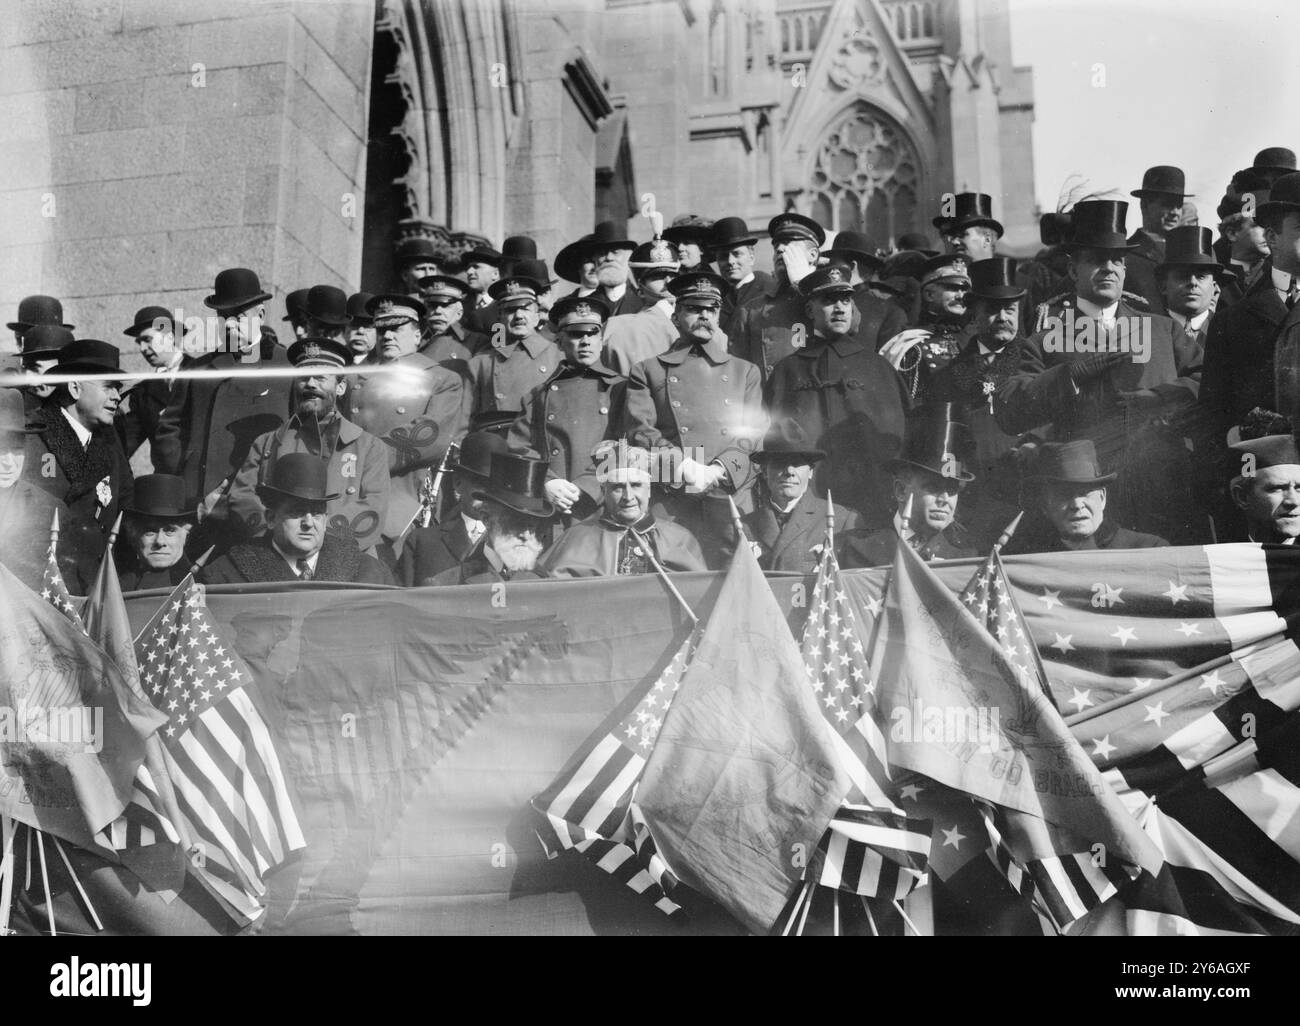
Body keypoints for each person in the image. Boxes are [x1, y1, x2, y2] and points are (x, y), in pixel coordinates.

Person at [995, 199, 1202, 544]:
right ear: (1074, 270)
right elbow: (1009, 410)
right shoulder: (1045, 341)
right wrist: (1069, 375)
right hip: (1085, 504)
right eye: (1095, 260)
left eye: (1117, 261)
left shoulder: (1163, 330)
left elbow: (1208, 383)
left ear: (1124, 269)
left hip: (1162, 490)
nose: (1108, 268)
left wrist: (1159, 399)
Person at [623, 270, 766, 567]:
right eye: (694, 308)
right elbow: (640, 429)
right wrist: (683, 464)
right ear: (675, 316)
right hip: (673, 495)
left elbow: (753, 433)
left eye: (711, 309)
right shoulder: (647, 370)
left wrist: (717, 470)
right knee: (670, 573)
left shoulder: (745, 371)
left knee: (736, 577)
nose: (704, 315)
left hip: (730, 493)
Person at [152, 267, 292, 550]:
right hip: (199, 502)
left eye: (238, 317)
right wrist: (184, 474)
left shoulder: (286, 366)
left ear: (260, 316)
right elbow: (169, 428)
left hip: (258, 503)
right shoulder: (200, 369)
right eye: (223, 317)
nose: (229, 325)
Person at [765, 263, 909, 525]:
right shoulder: (787, 371)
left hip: (871, 503)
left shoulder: (877, 367)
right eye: (829, 301)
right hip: (806, 507)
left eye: (845, 299)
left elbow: (901, 439)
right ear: (810, 309)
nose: (840, 308)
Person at [229, 336, 391, 551]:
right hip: (277, 553)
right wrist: (276, 537)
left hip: (346, 556)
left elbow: (373, 507)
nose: (311, 385)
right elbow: (242, 496)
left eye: (321, 378)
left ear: (341, 387)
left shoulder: (369, 447)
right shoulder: (268, 442)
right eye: (304, 378)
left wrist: (316, 545)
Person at [345, 294, 469, 557]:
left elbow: (430, 437)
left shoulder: (442, 379)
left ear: (417, 334)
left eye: (397, 329)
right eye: (382, 329)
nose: (388, 336)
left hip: (402, 502)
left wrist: (365, 458)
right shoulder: (353, 378)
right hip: (350, 494)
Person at [931, 256, 1030, 547]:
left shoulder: (1035, 365)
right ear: (975, 312)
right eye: (992, 309)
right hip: (973, 500)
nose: (1003, 318)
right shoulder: (946, 377)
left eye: (1010, 310)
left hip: (1025, 492)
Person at [25, 339, 135, 587]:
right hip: (46, 588)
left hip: (96, 587)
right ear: (75, 388)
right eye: (109, 387)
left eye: (117, 388)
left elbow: (125, 507)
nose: (117, 397)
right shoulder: (32, 439)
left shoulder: (108, 442)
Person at [507, 294, 625, 524]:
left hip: (600, 504)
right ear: (559, 341)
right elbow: (519, 448)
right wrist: (545, 483)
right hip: (550, 507)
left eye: (593, 333)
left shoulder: (621, 388)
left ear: (602, 340)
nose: (586, 341)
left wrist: (586, 487)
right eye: (575, 334)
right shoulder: (537, 395)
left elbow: (627, 447)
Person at [201, 453, 392, 585]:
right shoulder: (225, 574)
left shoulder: (370, 573)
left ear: (325, 520)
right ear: (271, 518)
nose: (308, 523)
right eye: (296, 512)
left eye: (316, 513)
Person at [842, 403, 976, 567]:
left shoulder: (965, 560)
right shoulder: (852, 548)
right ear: (901, 490)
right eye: (933, 487)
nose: (945, 499)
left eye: (952, 489)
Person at [541, 444, 706, 577]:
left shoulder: (680, 538)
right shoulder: (576, 537)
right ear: (604, 491)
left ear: (648, 490)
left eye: (636, 485)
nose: (628, 496)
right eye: (618, 487)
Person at [1003, 440, 1167, 554]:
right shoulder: (1030, 561)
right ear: (1045, 506)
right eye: (1064, 495)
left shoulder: (1150, 549)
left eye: (1084, 493)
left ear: (1102, 498)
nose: (1077, 504)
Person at [740, 421, 859, 574]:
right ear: (764, 471)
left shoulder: (842, 520)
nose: (789, 471)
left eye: (797, 463)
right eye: (780, 462)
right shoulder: (742, 527)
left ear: (810, 472)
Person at [397, 431, 506, 586]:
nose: (488, 494)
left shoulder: (516, 545)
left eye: (495, 487)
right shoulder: (422, 542)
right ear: (458, 483)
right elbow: (401, 602)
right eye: (480, 483)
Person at [730, 212, 824, 384]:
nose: (780, 249)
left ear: (812, 255)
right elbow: (738, 368)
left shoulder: (833, 300)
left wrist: (806, 284)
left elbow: (851, 324)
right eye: (777, 246)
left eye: (788, 243)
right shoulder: (752, 309)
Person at [432, 452, 553, 584]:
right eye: (517, 523)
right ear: (487, 519)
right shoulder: (446, 585)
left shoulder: (548, 586)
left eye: (533, 526)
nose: (526, 535)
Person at [0, 387, 72, 591]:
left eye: (17, 451)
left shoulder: (50, 511)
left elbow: (64, 593)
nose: (8, 463)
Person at [878, 253, 973, 403]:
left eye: (965, 289)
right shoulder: (911, 343)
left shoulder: (973, 335)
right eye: (953, 288)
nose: (961, 296)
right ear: (929, 294)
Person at [467, 275, 562, 419]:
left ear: (537, 315)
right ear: (500, 317)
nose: (518, 316)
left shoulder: (559, 357)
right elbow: (465, 419)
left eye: (525, 309)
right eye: (510, 310)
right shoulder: (481, 363)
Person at [116, 306, 190, 459]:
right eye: (139, 343)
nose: (142, 348)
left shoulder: (202, 372)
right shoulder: (143, 393)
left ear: (169, 337)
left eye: (147, 340)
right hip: (167, 481)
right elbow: (125, 444)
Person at [601, 233, 680, 376]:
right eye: (658, 277)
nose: (669, 282)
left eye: (674, 276)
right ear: (640, 291)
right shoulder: (618, 327)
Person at [1125, 166, 1193, 312]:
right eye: (1167, 204)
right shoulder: (1125, 254)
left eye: (1179, 205)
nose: (1175, 212)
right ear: (1144, 205)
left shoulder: (1189, 253)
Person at [1225, 416, 1300, 544]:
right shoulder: (1221, 558)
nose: (1294, 501)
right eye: (1277, 488)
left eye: (1299, 488)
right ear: (1242, 497)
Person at [116, 473, 197, 591]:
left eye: (170, 531)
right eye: (150, 532)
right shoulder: (116, 585)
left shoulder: (199, 584)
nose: (160, 541)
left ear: (186, 533)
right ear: (133, 534)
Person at [1156, 226, 1233, 348]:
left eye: (1201, 276)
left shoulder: (1232, 330)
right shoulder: (1146, 329)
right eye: (1182, 276)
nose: (1193, 282)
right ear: (1163, 286)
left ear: (1214, 289)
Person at [711, 216, 775, 340]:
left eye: (737, 254)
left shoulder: (768, 288)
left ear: (751, 257)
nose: (730, 261)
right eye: (723, 256)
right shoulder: (716, 295)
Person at [417, 274, 486, 364]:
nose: (438, 311)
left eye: (445, 306)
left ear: (459, 313)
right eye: (432, 305)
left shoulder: (477, 342)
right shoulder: (413, 338)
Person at [936, 192, 1001, 262]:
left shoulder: (1007, 272)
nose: (954, 242)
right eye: (950, 237)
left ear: (987, 239)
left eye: (962, 235)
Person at [345, 291, 377, 363]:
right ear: (345, 328)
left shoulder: (383, 366)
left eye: (368, 326)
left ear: (378, 333)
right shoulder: (333, 361)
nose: (360, 331)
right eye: (355, 324)